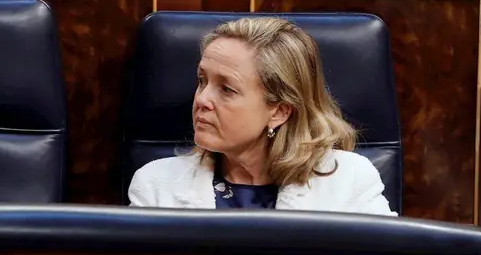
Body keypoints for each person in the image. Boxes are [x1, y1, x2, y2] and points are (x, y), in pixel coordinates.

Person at [128, 17, 395, 215]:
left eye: (226, 89)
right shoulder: (156, 186)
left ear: (279, 111)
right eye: (201, 81)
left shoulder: (348, 181)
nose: (202, 99)